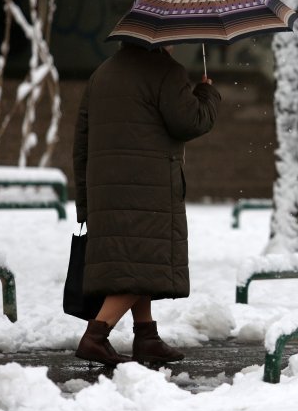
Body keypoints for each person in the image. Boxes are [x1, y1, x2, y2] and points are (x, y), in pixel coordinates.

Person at [72, 41, 221, 367]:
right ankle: (96, 334)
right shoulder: (165, 72)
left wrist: (85, 200)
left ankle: (147, 337)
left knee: (138, 262)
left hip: (106, 190)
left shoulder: (103, 73)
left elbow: (81, 139)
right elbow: (190, 122)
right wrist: (207, 94)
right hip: (148, 190)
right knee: (143, 266)